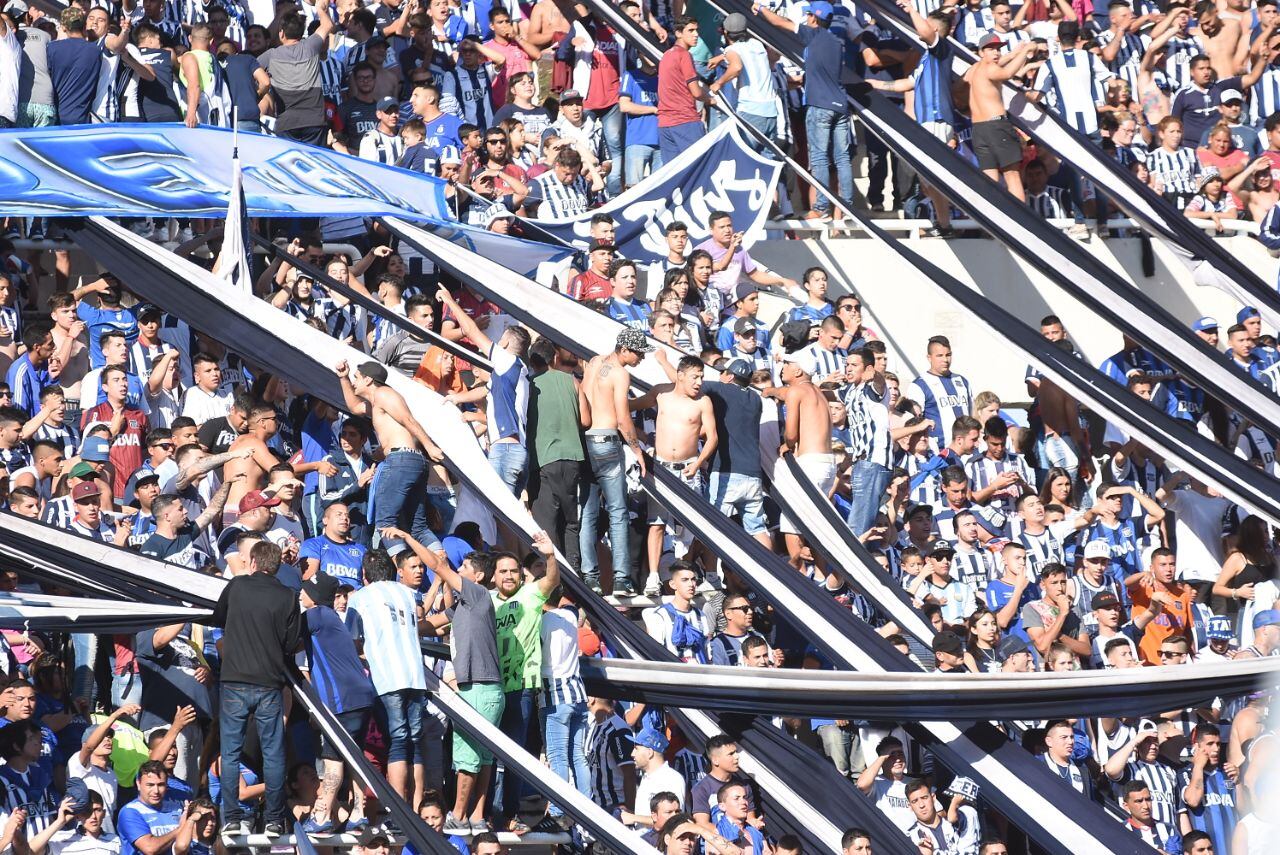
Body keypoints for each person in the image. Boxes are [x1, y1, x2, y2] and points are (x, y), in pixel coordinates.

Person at [210, 540, 301, 838]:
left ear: (252, 563)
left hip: (235, 681)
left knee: (231, 752)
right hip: (269, 684)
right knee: (273, 754)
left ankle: (232, 817)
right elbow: (291, 645)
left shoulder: (236, 587)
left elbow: (217, 618)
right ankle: (274, 819)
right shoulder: (288, 597)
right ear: (276, 567)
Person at [347, 548, 428, 809]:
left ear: (364, 574)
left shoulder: (359, 598)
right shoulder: (406, 592)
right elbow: (420, 614)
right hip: (415, 675)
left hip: (386, 675)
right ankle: (415, 807)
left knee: (397, 741)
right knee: (414, 742)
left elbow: (352, 639)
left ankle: (399, 810)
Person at [335, 360, 444, 550]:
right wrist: (343, 377)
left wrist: (429, 445)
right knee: (417, 527)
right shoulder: (376, 402)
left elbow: (407, 419)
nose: (354, 382)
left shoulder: (384, 393)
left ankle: (401, 567)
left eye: (356, 377)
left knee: (385, 523)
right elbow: (355, 408)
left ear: (368, 379)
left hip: (401, 460)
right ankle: (440, 558)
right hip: (409, 461)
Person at [436, 285, 530, 494]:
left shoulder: (506, 361)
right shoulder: (516, 371)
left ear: (504, 342)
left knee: (500, 516)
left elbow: (471, 331)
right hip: (517, 450)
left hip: (505, 450)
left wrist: (449, 301)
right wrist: (457, 398)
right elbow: (486, 390)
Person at [579, 328, 653, 594]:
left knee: (587, 512)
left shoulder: (595, 362)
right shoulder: (621, 374)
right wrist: (637, 450)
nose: (641, 358)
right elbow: (623, 417)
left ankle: (590, 575)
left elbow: (583, 401)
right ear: (624, 350)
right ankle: (622, 578)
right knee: (618, 512)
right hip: (608, 442)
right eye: (639, 353)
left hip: (586, 439)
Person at [965, 34, 1035, 200]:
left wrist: (1012, 54)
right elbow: (1007, 73)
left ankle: (991, 222)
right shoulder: (991, 68)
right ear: (982, 52)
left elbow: (997, 66)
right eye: (991, 49)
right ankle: (1020, 223)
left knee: (989, 180)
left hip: (979, 129)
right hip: (996, 127)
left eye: (998, 49)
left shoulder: (974, 68)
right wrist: (1025, 51)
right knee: (1012, 175)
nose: (996, 53)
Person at [656, 16, 709, 164]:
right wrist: (710, 99)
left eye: (696, 30)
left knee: (674, 175)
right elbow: (696, 92)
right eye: (690, 30)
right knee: (700, 168)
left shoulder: (666, 55)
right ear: (678, 33)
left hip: (665, 124)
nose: (696, 34)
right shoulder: (684, 55)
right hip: (685, 120)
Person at [1179, 724, 1237, 855]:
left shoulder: (1227, 773)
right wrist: (1198, 766)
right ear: (1196, 747)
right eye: (1210, 744)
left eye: (1218, 744)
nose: (1216, 749)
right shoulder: (1185, 774)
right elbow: (1193, 800)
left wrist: (1238, 781)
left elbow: (1243, 808)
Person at [117, 761, 185, 855]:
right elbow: (150, 848)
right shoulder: (130, 812)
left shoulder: (177, 810)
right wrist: (182, 828)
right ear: (138, 784)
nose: (156, 791)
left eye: (160, 785)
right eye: (150, 785)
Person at [623, 727, 685, 829]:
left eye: (636, 748)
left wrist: (633, 818)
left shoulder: (672, 779)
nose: (632, 754)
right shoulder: (646, 777)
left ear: (649, 752)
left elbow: (673, 820)